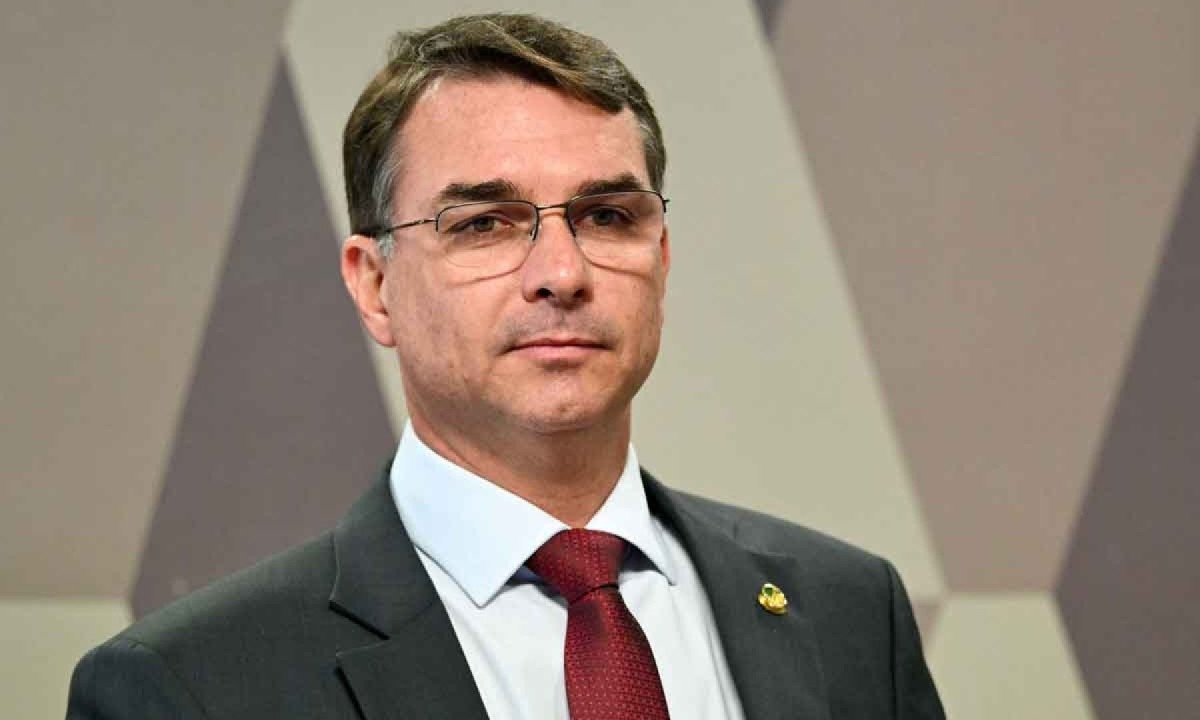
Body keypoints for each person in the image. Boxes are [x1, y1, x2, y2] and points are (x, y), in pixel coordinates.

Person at [67, 13, 943, 720]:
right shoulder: (189, 687)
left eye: (607, 216)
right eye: (483, 224)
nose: (562, 273)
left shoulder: (850, 611)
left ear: (662, 258)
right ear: (374, 286)